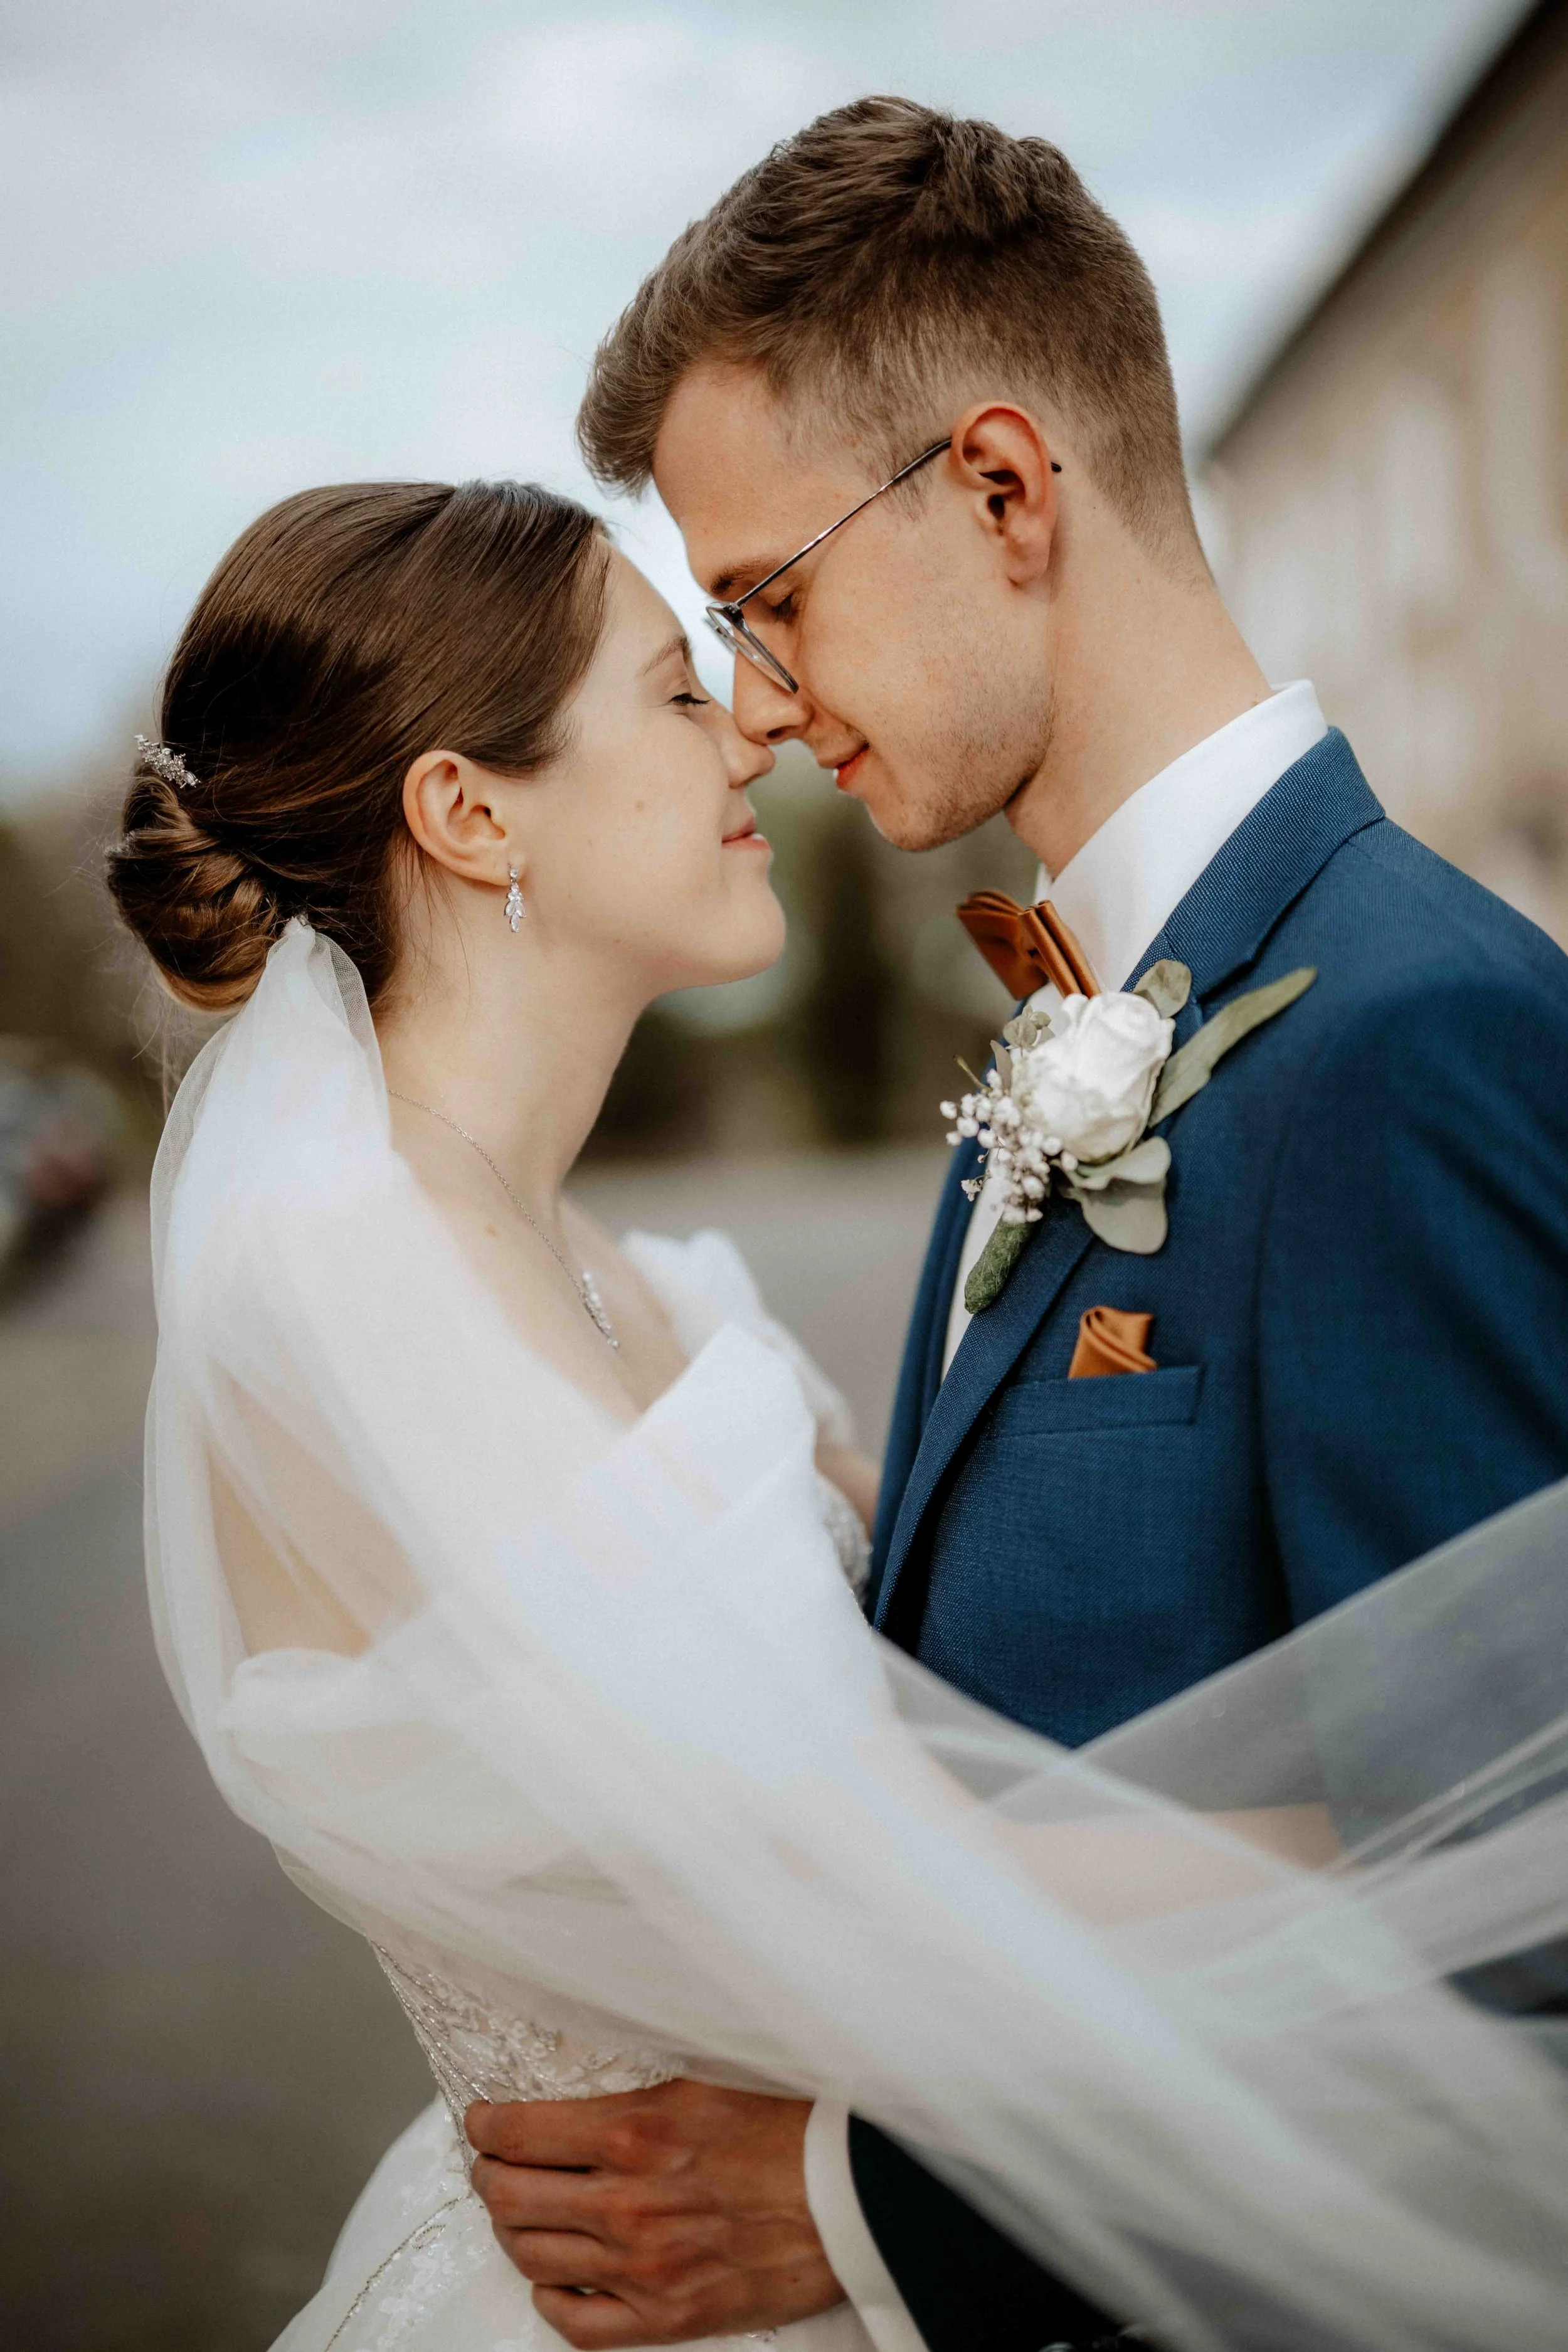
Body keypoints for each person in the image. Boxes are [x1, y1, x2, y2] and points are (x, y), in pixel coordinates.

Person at [110, 476, 1568, 2352]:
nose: (750, 725)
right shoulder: (349, 1284)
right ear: (472, 814)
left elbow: (937, 1679)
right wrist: (1415, 1829)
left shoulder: (624, 1273)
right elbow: (853, 1858)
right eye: (669, 686)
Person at [462, 96, 1568, 2352]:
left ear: (996, 486)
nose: (755, 707)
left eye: (767, 600)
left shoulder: (1412, 1040)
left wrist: (881, 2219)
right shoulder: (1047, 1066)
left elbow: (1522, 1975)